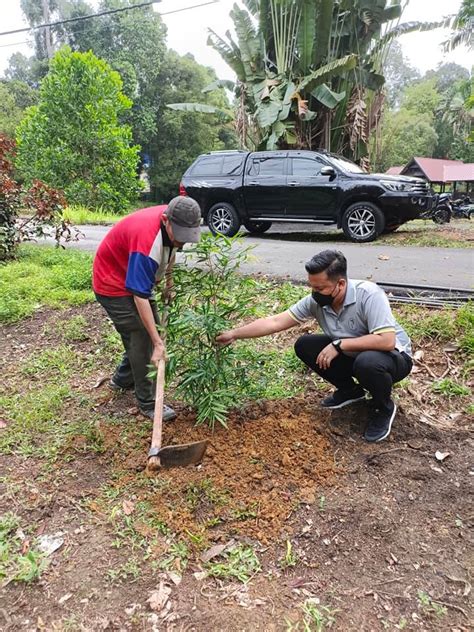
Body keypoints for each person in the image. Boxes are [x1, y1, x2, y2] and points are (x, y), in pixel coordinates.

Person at [216, 250, 413, 442]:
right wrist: (234, 334)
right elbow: (275, 321)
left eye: (320, 289)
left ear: (341, 283)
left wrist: (339, 345)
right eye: (312, 287)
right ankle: (351, 392)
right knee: (305, 345)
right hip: (353, 354)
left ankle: (382, 407)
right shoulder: (316, 302)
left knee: (367, 362)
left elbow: (387, 341)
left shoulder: (368, 295)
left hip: (393, 358)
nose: (315, 294)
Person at [93, 196, 201, 421]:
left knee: (145, 333)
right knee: (142, 335)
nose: (182, 242)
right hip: (112, 283)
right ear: (165, 220)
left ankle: (122, 380)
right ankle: (148, 402)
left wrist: (169, 283)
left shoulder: (177, 215)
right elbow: (140, 296)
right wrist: (158, 343)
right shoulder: (147, 240)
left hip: (133, 276)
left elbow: (172, 248)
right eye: (179, 235)